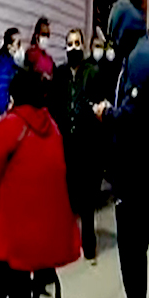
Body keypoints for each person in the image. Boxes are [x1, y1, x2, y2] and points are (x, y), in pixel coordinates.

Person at [93, 0, 149, 298]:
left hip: (137, 175)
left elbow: (132, 117)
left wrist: (106, 113)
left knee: (132, 253)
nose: (113, 43)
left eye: (114, 35)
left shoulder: (141, 60)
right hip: (141, 170)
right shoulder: (141, 53)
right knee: (133, 253)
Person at [0, 71, 81, 298]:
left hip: (19, 241)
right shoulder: (53, 127)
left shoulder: (8, 125)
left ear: (14, 96)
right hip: (54, 237)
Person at [49, 29, 102, 265]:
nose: (73, 47)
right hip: (65, 144)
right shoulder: (60, 74)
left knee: (87, 199)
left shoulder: (92, 72)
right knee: (66, 198)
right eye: (69, 44)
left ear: (83, 46)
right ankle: (65, 243)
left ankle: (89, 244)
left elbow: (99, 107)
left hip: (87, 145)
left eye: (77, 43)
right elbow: (53, 105)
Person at [0, 28, 25, 119]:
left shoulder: (13, 67)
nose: (21, 48)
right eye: (18, 44)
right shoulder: (4, 69)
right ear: (9, 46)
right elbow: (0, 102)